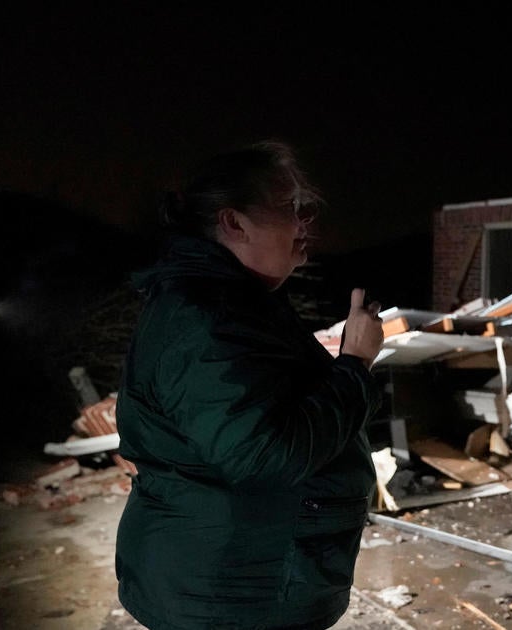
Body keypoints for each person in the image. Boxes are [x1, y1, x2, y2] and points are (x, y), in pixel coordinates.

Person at [114, 141, 385, 629]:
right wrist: (354, 364)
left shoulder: (226, 302)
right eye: (289, 208)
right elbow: (265, 455)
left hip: (236, 580)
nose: (305, 224)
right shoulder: (207, 316)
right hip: (232, 594)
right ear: (233, 222)